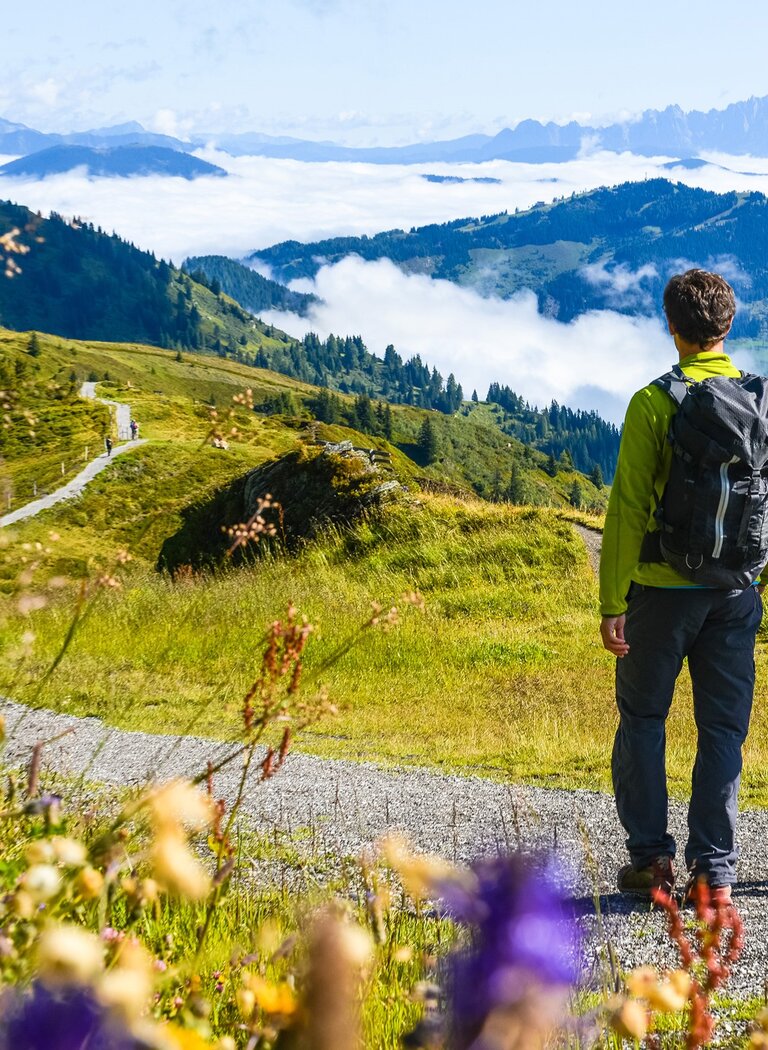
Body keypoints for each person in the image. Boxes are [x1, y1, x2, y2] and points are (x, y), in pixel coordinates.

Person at [599, 269, 764, 903]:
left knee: (644, 719)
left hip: (660, 595)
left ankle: (651, 862)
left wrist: (613, 602)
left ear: (672, 327)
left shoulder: (654, 402)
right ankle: (713, 872)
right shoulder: (759, 399)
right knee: (723, 729)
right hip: (734, 593)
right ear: (729, 326)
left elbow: (628, 511)